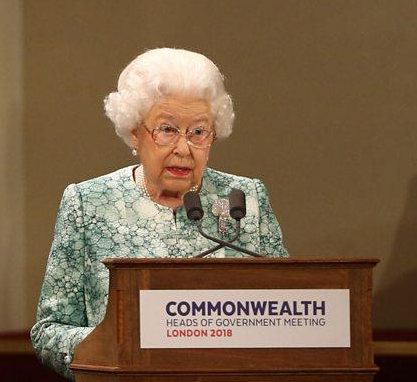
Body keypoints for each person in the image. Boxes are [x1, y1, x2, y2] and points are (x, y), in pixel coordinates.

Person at [30, 48, 289, 379]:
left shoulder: (244, 200)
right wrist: (118, 346)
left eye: (198, 132)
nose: (183, 148)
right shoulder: (88, 202)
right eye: (167, 130)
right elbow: (50, 332)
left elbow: (284, 313)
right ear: (135, 132)